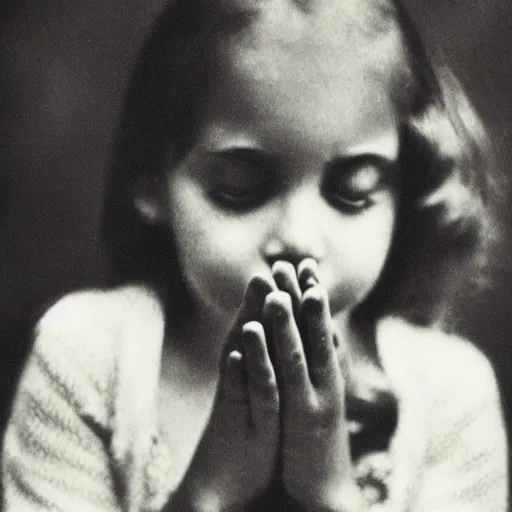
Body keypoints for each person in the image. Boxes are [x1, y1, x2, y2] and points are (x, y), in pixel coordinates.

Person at [2, 0, 508, 510]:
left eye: (352, 192)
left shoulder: (450, 395)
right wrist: (210, 490)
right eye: (239, 188)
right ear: (152, 178)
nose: (299, 239)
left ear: (403, 188)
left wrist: (330, 493)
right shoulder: (86, 360)